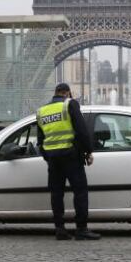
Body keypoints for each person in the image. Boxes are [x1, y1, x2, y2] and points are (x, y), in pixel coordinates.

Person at [37, 83, 100, 241]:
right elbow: (81, 129)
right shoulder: (69, 104)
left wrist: (48, 156)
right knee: (80, 192)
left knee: (56, 193)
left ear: (55, 92)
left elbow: (40, 140)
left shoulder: (41, 111)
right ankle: (81, 229)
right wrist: (88, 151)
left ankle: (60, 229)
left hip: (53, 159)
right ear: (67, 93)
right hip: (71, 157)